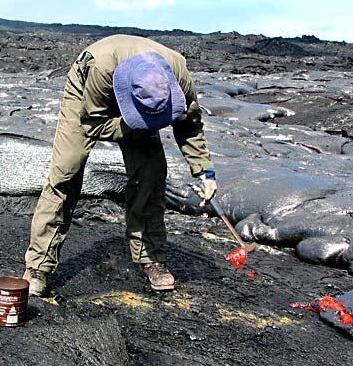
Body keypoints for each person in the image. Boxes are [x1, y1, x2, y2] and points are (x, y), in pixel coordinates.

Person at [23, 34, 217, 296]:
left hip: (144, 102)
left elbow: (189, 123)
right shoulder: (100, 69)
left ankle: (151, 257)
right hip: (88, 95)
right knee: (65, 173)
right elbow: (93, 123)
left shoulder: (177, 73)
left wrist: (204, 170)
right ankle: (39, 265)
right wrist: (131, 125)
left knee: (151, 173)